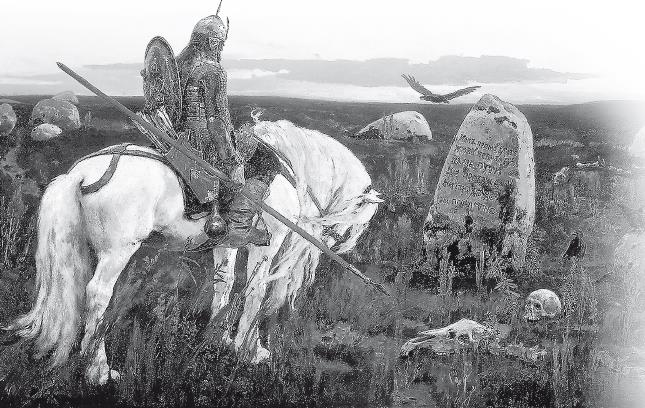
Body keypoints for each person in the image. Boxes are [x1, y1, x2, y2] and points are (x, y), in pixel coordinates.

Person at [175, 14, 279, 247]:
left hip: (181, 137)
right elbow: (216, 121)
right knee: (268, 160)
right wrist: (233, 162)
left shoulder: (180, 66)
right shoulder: (212, 71)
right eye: (220, 44)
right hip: (204, 143)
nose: (221, 49)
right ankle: (239, 227)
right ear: (213, 43)